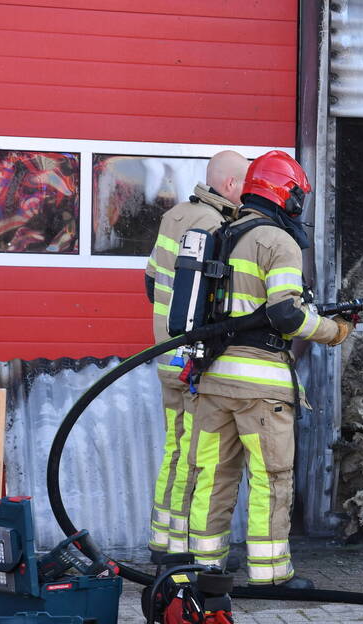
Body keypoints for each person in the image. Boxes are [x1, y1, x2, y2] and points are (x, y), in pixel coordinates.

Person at [185, 150, 352, 587]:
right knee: (271, 480)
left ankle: (204, 569)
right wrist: (334, 331)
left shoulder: (221, 233)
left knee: (212, 478)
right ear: (287, 195)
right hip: (261, 387)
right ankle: (271, 575)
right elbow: (287, 317)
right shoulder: (278, 243)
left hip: (213, 380)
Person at [145, 150, 249, 562]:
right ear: (229, 186)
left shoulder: (176, 216)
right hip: (192, 361)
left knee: (175, 449)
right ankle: (185, 549)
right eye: (246, 186)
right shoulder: (215, 225)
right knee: (196, 455)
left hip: (167, 355)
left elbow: (152, 281)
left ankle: (164, 542)